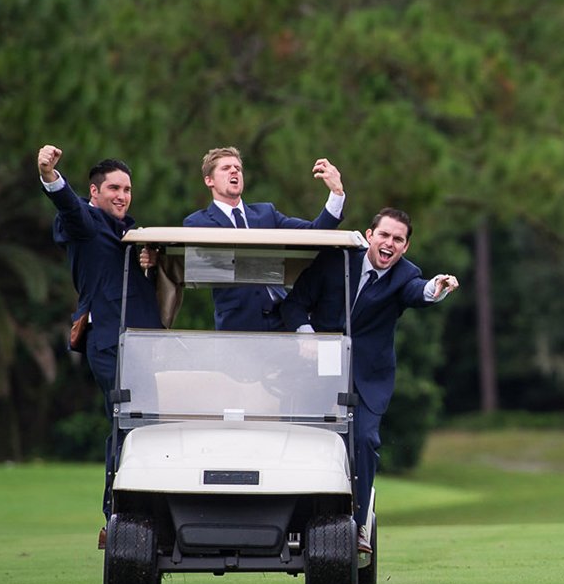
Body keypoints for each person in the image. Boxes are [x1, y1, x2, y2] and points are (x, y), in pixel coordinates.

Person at [37, 145, 164, 543]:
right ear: (94, 192)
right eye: (114, 188)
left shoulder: (132, 234)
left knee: (145, 426)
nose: (122, 196)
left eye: (127, 189)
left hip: (142, 345)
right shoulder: (87, 222)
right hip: (110, 344)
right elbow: (69, 208)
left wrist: (151, 263)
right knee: (129, 422)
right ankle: (118, 519)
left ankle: (145, 513)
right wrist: (50, 176)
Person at [345, 208, 459, 553]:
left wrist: (436, 287)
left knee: (364, 439)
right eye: (384, 235)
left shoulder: (404, 275)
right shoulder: (340, 260)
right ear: (369, 235)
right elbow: (301, 302)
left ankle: (358, 526)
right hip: (316, 371)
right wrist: (306, 335)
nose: (389, 243)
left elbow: (418, 291)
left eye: (398, 239)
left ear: (405, 247)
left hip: (368, 377)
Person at [184, 146, 347, 331]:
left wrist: (337, 193)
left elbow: (314, 233)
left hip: (282, 319)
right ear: (209, 180)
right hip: (239, 325)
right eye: (226, 168)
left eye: (238, 168)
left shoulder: (266, 213)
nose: (234, 171)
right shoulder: (199, 222)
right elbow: (211, 264)